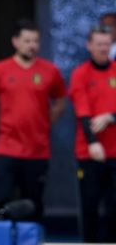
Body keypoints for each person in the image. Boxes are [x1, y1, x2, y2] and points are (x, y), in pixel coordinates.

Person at [0, 19, 66, 221]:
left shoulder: (50, 71)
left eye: (35, 41)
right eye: (27, 40)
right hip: (6, 148)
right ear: (15, 41)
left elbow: (60, 101)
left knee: (34, 205)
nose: (32, 45)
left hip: (37, 150)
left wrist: (45, 122)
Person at [69, 26, 116, 242]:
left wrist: (110, 117)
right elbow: (83, 111)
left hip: (115, 153)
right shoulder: (81, 74)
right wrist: (93, 142)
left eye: (107, 44)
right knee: (90, 207)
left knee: (114, 207)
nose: (103, 48)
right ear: (89, 46)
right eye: (99, 44)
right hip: (89, 154)